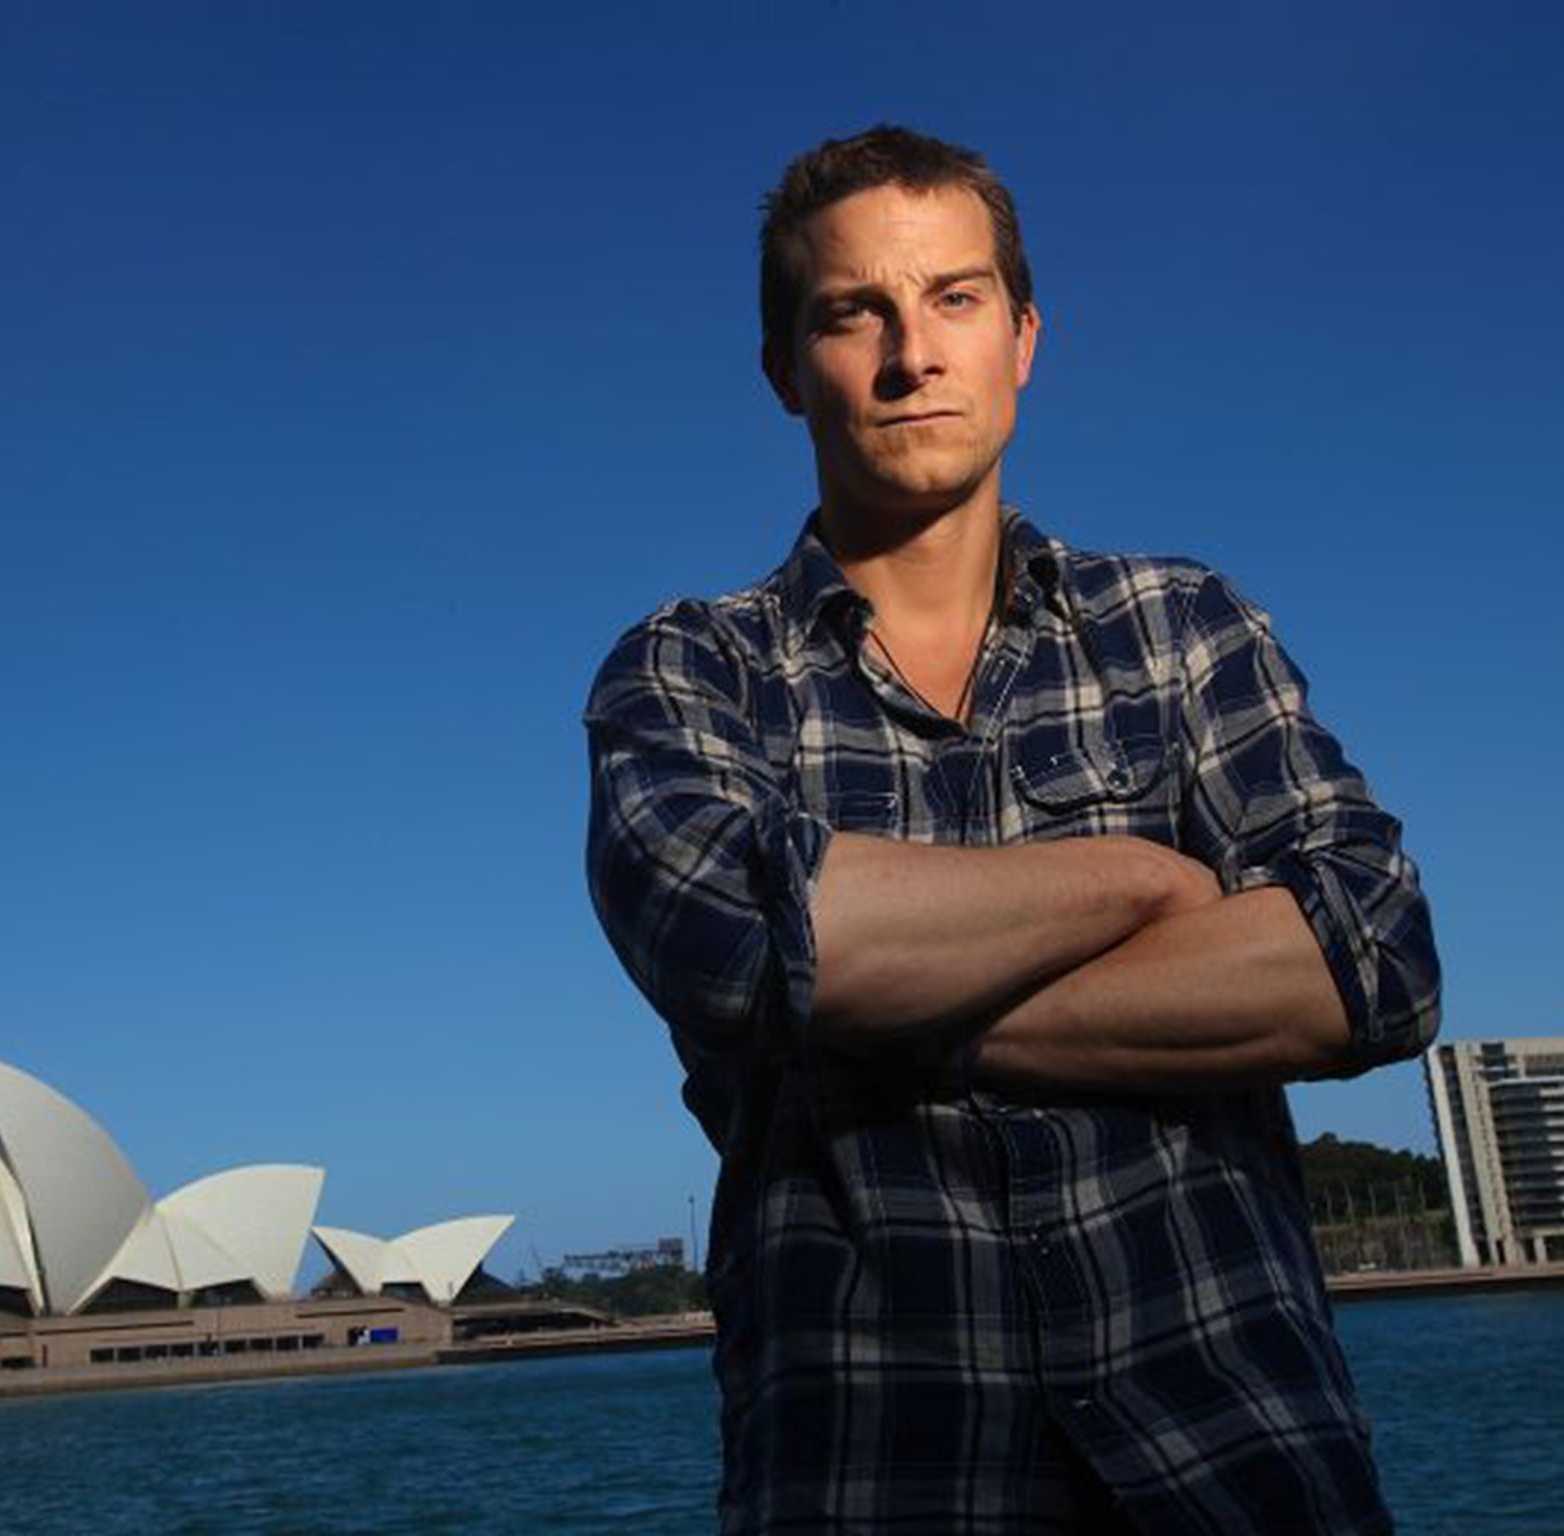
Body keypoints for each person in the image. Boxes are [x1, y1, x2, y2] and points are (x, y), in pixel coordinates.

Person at [584, 125, 1439, 1535]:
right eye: (853, 312)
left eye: (955, 299)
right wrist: (1137, 879)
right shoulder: (691, 671)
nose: (911, 353)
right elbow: (736, 944)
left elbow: (1374, 957)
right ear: (784, 368)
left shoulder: (1181, 629)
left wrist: (872, 1015)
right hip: (874, 1477)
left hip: (1241, 1463)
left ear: (1024, 338)